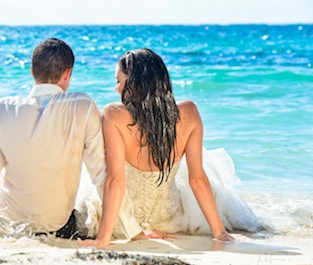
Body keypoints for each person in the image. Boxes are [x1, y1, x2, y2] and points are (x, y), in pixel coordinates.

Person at [0, 38, 142, 239]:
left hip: (6, 224)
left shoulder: (1, 109)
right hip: (58, 228)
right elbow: (102, 176)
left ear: (32, 71)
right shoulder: (82, 106)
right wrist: (133, 231)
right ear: (67, 73)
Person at [80, 48, 259, 248]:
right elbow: (197, 179)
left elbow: (115, 181)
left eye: (119, 81)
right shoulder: (189, 112)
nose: (116, 88)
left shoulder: (114, 114)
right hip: (171, 222)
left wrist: (102, 239)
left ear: (134, 83)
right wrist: (221, 233)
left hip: (122, 224)